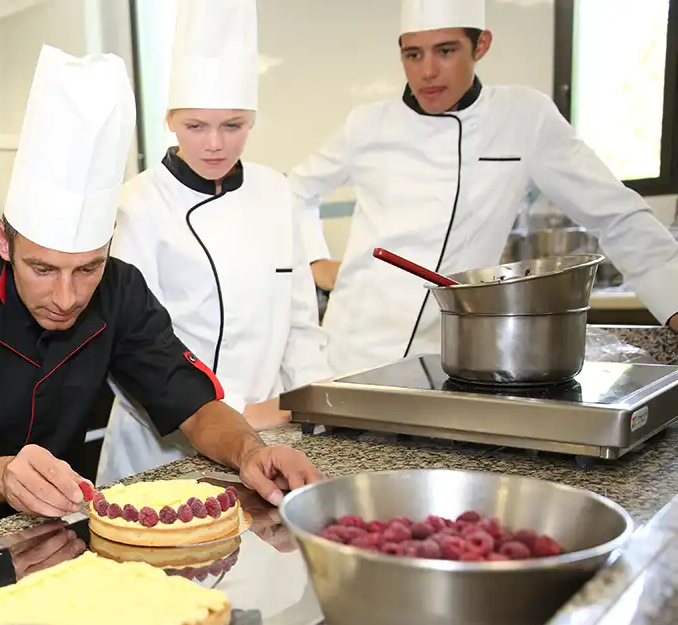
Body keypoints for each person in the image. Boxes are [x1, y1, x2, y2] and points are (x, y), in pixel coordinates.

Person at [0, 45, 323, 555]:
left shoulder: (120, 290)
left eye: (87, 267)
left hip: (49, 535)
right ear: (5, 241)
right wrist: (2, 475)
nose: (66, 297)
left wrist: (250, 451)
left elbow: (194, 406)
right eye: (42, 269)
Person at [289, 0, 678, 377]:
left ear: (481, 45)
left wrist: (674, 303)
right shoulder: (368, 124)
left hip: (450, 354)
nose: (427, 71)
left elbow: (615, 214)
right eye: (413, 54)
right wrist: (314, 263)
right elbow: (296, 190)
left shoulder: (523, 118)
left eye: (445, 51)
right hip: (351, 351)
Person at [96, 0, 331, 486]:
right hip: (160, 452)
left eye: (233, 126)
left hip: (275, 439)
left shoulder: (276, 193)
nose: (214, 145)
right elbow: (133, 354)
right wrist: (244, 411)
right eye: (195, 127)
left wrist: (317, 405)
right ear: (169, 120)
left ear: (252, 121)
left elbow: (301, 326)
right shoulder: (137, 204)